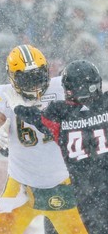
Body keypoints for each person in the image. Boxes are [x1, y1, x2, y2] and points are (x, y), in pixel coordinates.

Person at [0, 45, 87, 233]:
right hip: (21, 186)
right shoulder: (3, 95)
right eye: (26, 78)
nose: (33, 84)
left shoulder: (62, 87)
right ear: (13, 78)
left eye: (37, 76)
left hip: (62, 182)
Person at [13, 59, 108, 234]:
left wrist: (17, 107)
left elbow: (35, 117)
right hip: (103, 187)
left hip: (74, 190)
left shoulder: (58, 112)